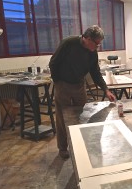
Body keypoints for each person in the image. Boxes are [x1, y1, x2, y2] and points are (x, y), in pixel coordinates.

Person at [49, 25, 116, 159]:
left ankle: (81, 144)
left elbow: (95, 72)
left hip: (79, 85)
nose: (98, 47)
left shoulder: (92, 52)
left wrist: (106, 90)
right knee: (62, 118)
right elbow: (53, 63)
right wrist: (58, 82)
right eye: (96, 43)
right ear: (87, 38)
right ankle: (63, 148)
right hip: (63, 84)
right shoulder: (68, 43)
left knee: (83, 114)